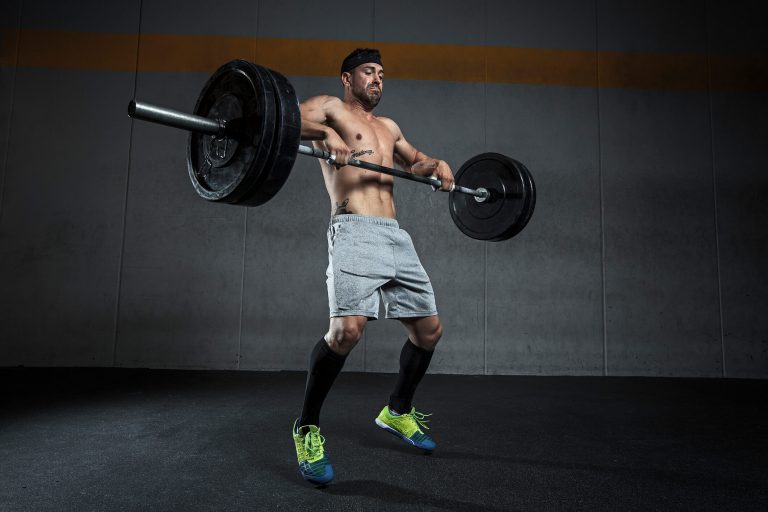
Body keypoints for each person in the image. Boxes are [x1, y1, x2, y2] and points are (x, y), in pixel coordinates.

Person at [292, 48, 455, 485]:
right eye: (369, 72)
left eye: (382, 73)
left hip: (393, 236)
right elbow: (283, 120)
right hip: (352, 229)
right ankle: (306, 426)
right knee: (346, 331)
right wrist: (323, 136)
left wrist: (435, 165)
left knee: (429, 331)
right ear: (348, 78)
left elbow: (414, 160)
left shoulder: (388, 127)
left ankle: (397, 411)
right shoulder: (328, 108)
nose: (378, 79)